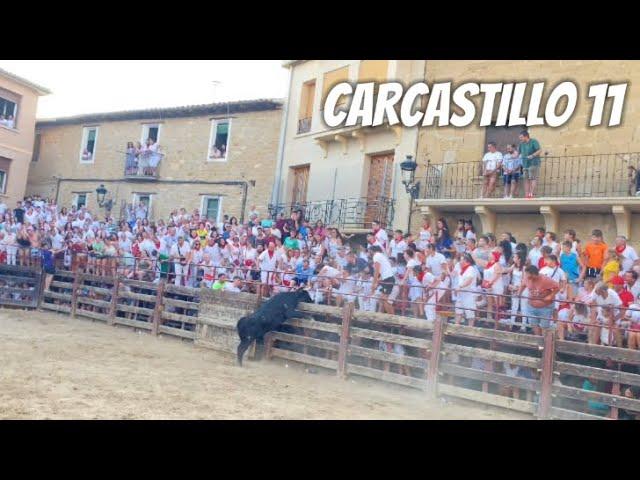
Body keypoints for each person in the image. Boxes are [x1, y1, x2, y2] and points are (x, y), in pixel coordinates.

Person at [519, 265, 559, 335]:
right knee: (534, 324)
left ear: (533, 274)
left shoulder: (545, 279)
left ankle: (545, 343)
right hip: (531, 305)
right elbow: (523, 285)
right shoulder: (526, 278)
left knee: (544, 326)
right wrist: (519, 293)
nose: (526, 275)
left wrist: (550, 296)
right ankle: (539, 343)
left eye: (527, 274)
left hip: (545, 307)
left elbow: (557, 287)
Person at [369, 245, 395, 315]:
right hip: (387, 278)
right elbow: (382, 271)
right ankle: (387, 316)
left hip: (388, 279)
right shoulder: (381, 256)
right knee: (382, 299)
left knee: (384, 299)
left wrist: (373, 284)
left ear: (372, 250)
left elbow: (376, 271)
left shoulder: (376, 256)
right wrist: (377, 282)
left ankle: (392, 317)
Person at [518, 130, 543, 199]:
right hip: (525, 164)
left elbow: (539, 150)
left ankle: (531, 194)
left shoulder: (533, 141)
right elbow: (518, 153)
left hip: (534, 163)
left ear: (526, 136)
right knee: (526, 179)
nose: (520, 139)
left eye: (521, 137)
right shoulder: (521, 144)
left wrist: (532, 155)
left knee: (532, 178)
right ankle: (527, 194)